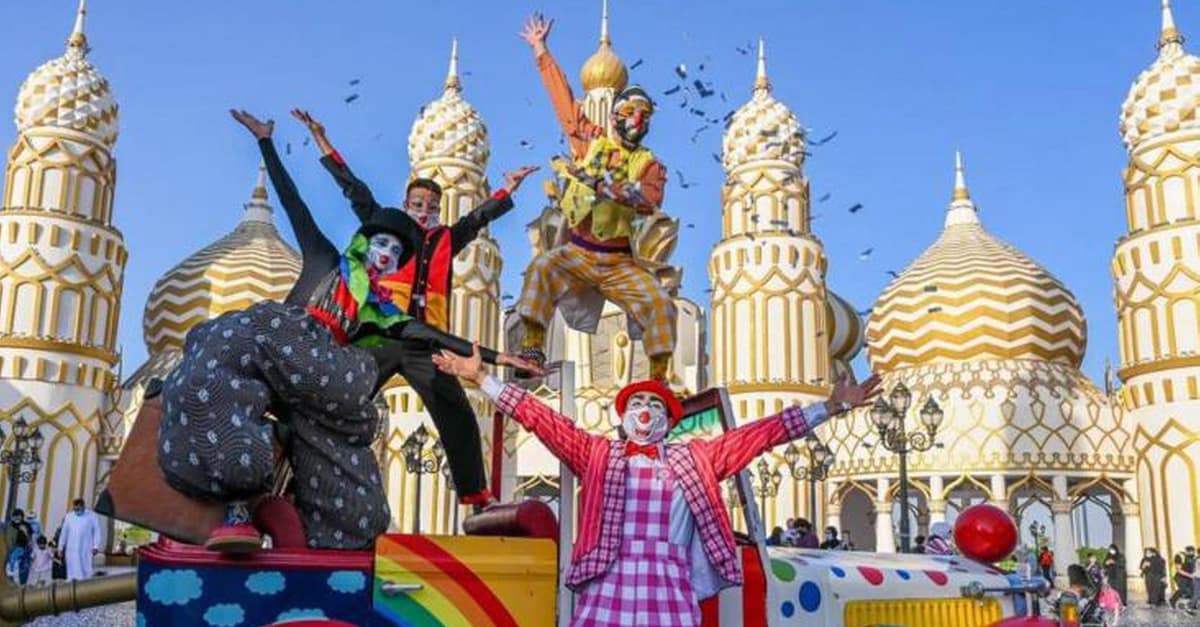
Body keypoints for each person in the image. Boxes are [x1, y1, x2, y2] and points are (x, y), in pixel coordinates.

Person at [157, 111, 541, 553]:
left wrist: (498, 357)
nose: (388, 252)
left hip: (345, 365)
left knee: (400, 424)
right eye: (384, 241)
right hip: (295, 352)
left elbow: (434, 316)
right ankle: (236, 505)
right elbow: (309, 200)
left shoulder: (389, 299)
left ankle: (460, 498)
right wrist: (279, 143)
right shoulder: (330, 255)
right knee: (232, 366)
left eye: (397, 250)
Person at [433, 343, 880, 625]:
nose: (645, 411)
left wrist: (830, 408)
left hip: (668, 586)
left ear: (668, 420)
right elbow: (543, 420)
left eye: (654, 405)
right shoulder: (598, 454)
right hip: (608, 581)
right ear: (624, 416)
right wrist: (484, 378)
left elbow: (758, 436)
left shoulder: (694, 458)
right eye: (637, 403)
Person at [293, 109, 538, 509]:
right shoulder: (389, 228)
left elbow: (476, 219)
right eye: (418, 203)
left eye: (432, 205)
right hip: (380, 334)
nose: (424, 210)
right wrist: (323, 142)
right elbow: (355, 191)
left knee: (457, 411)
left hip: (425, 342)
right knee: (340, 398)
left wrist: (506, 189)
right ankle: (297, 474)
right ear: (407, 204)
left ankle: (476, 494)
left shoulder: (445, 239)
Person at [515, 13, 678, 381]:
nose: (636, 120)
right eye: (629, 112)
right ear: (616, 114)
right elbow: (565, 105)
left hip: (618, 262)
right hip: (578, 253)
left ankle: (658, 380)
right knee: (542, 269)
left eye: (644, 115)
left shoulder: (649, 163)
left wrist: (614, 190)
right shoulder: (592, 142)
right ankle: (532, 348)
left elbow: (650, 200)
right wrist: (541, 50)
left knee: (660, 303)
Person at [58, 499, 100, 580]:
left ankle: (84, 585)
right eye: (75, 509)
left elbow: (97, 531)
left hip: (85, 548)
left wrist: (95, 546)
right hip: (71, 549)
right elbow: (64, 533)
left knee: (85, 570)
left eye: (78, 509)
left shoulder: (92, 516)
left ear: (83, 507)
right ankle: (71, 585)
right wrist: (60, 548)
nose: (77, 511)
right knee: (72, 570)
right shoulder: (69, 517)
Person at [4, 510, 33, 585]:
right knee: (12, 559)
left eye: (19, 516)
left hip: (26, 546)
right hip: (15, 546)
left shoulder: (26, 525)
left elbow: (30, 537)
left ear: (22, 517)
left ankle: (23, 582)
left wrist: (25, 532)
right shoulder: (10, 525)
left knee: (25, 564)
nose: (17, 518)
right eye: (15, 516)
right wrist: (11, 547)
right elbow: (8, 537)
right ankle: (11, 576)